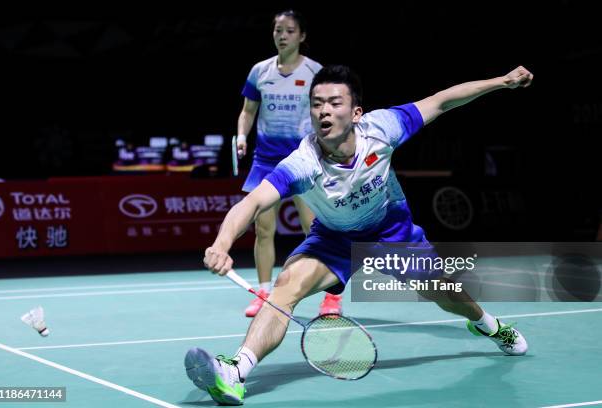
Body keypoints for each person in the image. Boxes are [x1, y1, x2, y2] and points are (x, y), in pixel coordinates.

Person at [187, 64, 534, 405]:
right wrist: (221, 243)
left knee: (446, 294)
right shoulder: (303, 163)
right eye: (317, 103)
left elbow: (441, 101)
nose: (324, 111)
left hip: (391, 230)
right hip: (336, 238)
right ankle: (235, 372)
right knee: (287, 285)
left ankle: (488, 325)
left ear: (355, 112)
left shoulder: (382, 128)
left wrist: (502, 82)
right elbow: (253, 203)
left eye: (334, 103)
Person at [235, 10, 342, 318]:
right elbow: (248, 110)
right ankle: (264, 292)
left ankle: (331, 298)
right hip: (266, 161)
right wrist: (242, 135)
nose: (282, 36)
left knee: (315, 230)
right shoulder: (260, 71)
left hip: (304, 159)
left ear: (302, 36)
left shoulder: (315, 72)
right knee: (263, 229)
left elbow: (329, 111)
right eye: (278, 30)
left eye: (289, 31)